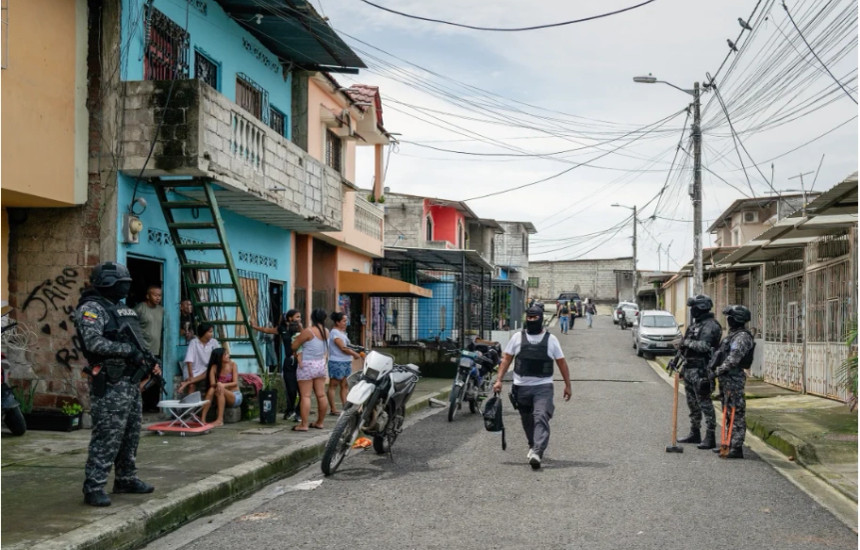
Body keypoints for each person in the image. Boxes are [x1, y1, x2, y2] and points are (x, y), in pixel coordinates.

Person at [75, 261, 161, 507]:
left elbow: (138, 341)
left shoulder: (121, 309)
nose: (125, 288)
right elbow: (93, 342)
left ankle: (125, 478)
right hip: (110, 382)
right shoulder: (91, 308)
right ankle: (94, 486)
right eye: (122, 284)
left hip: (130, 382)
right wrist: (127, 351)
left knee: (130, 434)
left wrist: (148, 360)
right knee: (108, 435)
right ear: (108, 283)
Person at [492, 305, 572, 470]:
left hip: (543, 386)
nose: (532, 321)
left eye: (535, 318)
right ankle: (532, 445)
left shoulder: (551, 340)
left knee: (541, 415)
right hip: (521, 387)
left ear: (541, 318)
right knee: (527, 420)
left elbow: (561, 363)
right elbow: (506, 359)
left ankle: (537, 451)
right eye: (529, 318)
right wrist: (499, 380)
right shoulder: (517, 338)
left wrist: (568, 385)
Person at [674, 294, 723, 449]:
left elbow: (706, 346)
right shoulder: (694, 326)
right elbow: (684, 347)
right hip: (689, 368)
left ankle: (710, 436)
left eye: (694, 307)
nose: (692, 311)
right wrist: (677, 360)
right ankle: (695, 432)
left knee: (705, 403)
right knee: (692, 404)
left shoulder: (712, 326)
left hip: (702, 370)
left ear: (701, 308)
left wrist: (687, 342)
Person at [709, 305, 755, 459]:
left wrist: (717, 371)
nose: (728, 320)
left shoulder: (742, 337)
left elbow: (733, 359)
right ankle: (727, 443)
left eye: (731, 317)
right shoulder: (732, 335)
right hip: (726, 379)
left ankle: (736, 446)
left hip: (733, 379)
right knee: (727, 412)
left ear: (737, 319)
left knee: (736, 413)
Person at [251, 309, 302, 421]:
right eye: (297, 317)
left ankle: (299, 412)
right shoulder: (282, 329)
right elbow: (268, 330)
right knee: (290, 389)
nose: (299, 319)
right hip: (289, 361)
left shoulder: (300, 329)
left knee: (302, 389)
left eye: (300, 317)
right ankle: (290, 410)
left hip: (301, 361)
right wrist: (255, 327)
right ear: (290, 318)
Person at [291, 308, 330, 431]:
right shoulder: (326, 331)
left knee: (306, 396)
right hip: (320, 364)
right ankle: (320, 422)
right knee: (321, 395)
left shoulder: (308, 331)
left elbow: (294, 346)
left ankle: (304, 424)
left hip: (307, 365)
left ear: (312, 318)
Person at [134, 284, 164, 412]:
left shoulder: (161, 310)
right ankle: (138, 406)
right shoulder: (140, 309)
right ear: (148, 295)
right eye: (155, 295)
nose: (158, 298)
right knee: (141, 377)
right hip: (142, 351)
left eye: (160, 295)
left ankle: (151, 406)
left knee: (154, 379)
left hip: (156, 351)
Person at [328, 312, 363, 415]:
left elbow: (347, 345)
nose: (345, 323)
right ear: (337, 322)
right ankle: (333, 408)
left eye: (346, 321)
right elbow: (342, 347)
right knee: (333, 385)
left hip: (346, 361)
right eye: (343, 321)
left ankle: (345, 406)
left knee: (345, 385)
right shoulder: (334, 333)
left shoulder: (342, 333)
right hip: (337, 361)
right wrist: (354, 354)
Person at [199, 348, 241, 427]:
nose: (228, 356)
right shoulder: (214, 367)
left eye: (227, 354)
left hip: (234, 396)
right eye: (225, 354)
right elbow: (212, 384)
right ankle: (202, 419)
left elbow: (235, 383)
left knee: (220, 389)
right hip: (219, 394)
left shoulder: (233, 365)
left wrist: (223, 385)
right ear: (219, 357)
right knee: (212, 389)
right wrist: (219, 385)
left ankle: (219, 420)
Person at [178, 323, 219, 395]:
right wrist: (191, 377)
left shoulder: (214, 342)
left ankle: (186, 383)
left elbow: (218, 358)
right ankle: (190, 405)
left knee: (210, 371)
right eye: (210, 332)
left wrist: (190, 380)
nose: (211, 334)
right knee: (191, 386)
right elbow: (189, 361)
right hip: (192, 369)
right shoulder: (194, 342)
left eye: (212, 332)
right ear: (204, 332)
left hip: (205, 369)